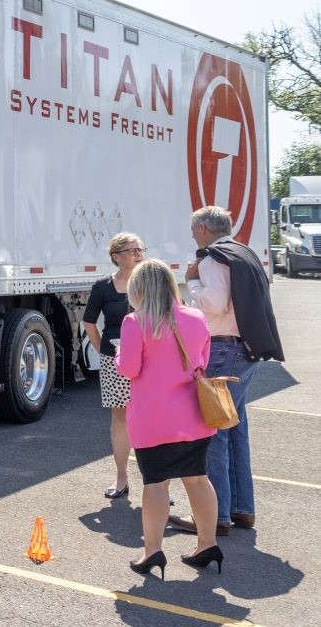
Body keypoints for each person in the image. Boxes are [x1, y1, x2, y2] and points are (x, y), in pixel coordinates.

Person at [170, 206, 286, 537]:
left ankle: (215, 515)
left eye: (193, 229)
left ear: (204, 228)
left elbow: (214, 304)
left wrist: (190, 282)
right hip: (246, 349)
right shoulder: (244, 253)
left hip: (223, 348)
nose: (192, 234)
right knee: (235, 428)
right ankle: (242, 509)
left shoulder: (212, 259)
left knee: (213, 430)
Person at [118, 258, 221, 578]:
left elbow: (129, 368)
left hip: (154, 420)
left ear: (139, 289)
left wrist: (120, 351)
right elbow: (201, 361)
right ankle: (207, 543)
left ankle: (153, 551)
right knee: (198, 480)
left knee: (155, 486)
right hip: (194, 417)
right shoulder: (196, 317)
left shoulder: (135, 322)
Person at [80, 232, 145, 500]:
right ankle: (121, 479)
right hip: (115, 361)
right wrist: (103, 351)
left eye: (141, 249)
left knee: (148, 417)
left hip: (149, 359)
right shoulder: (103, 287)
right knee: (120, 419)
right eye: (132, 250)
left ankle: (156, 483)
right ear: (116, 256)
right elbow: (89, 322)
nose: (139, 253)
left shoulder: (151, 282)